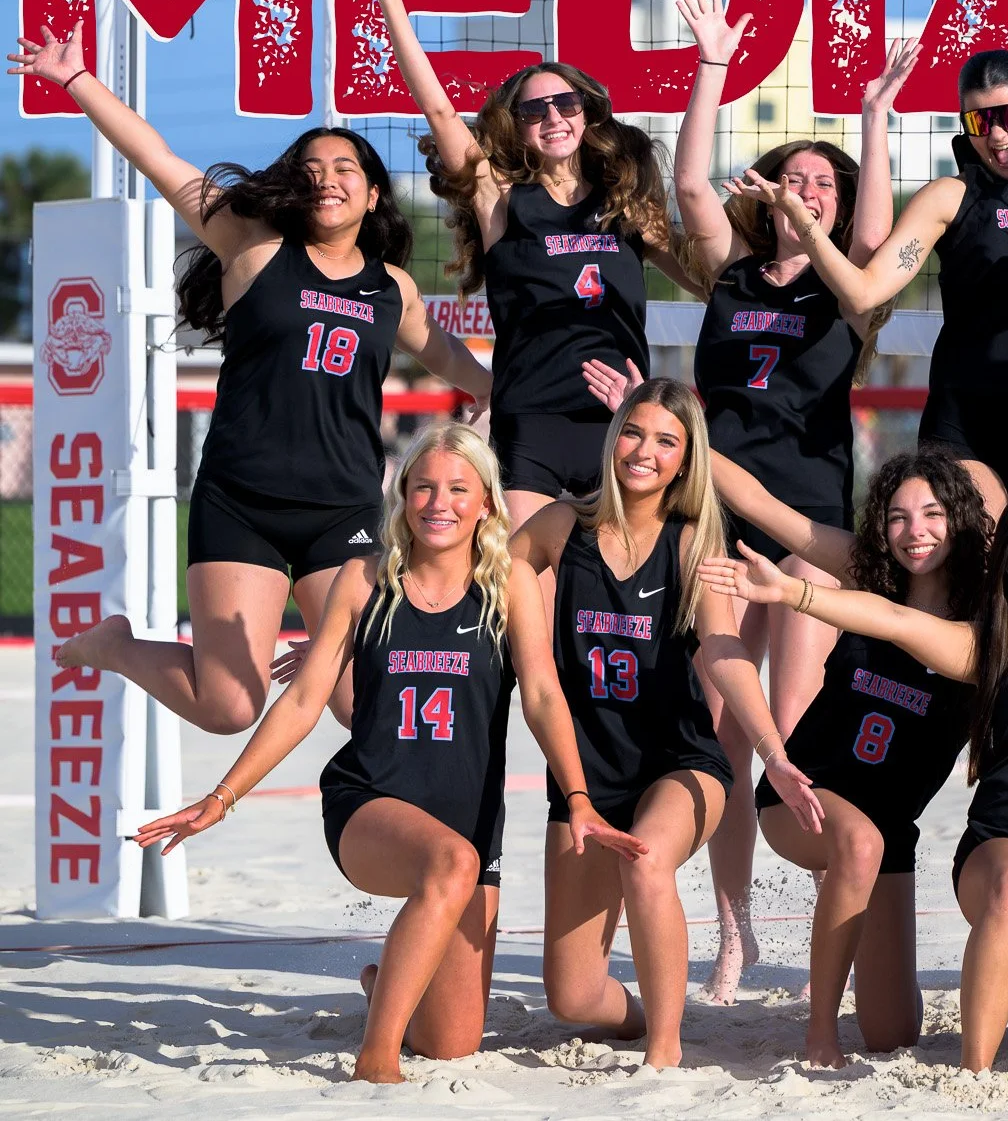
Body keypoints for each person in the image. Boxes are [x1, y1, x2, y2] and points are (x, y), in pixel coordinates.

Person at [13, 22, 492, 734]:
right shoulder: (251, 245)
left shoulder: (392, 287)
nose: (326, 177)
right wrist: (78, 78)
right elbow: (159, 157)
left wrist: (499, 393)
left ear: (371, 198)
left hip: (343, 510)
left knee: (368, 705)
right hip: (244, 501)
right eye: (311, 167)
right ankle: (115, 644)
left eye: (345, 169)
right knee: (230, 706)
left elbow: (455, 362)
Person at [134, 424, 642, 1082]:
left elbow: (543, 695)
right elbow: (299, 702)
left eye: (459, 488)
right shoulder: (364, 579)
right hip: (371, 803)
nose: (439, 501)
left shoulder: (508, 584)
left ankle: (385, 982)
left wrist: (578, 797)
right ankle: (375, 1054)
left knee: (452, 1040)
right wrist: (221, 797)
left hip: (469, 823)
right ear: (402, 497)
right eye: (423, 486)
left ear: (486, 502)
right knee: (448, 862)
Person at [703, 490, 1008, 1071]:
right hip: (1006, 849)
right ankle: (974, 1078)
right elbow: (892, 617)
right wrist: (793, 592)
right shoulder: (996, 646)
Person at [669, 0, 916, 1001]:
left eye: (824, 181)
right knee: (726, 727)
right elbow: (689, 188)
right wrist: (711, 64)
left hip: (810, 524)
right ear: (765, 188)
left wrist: (869, 120)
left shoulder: (845, 289)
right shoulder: (728, 270)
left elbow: (867, 238)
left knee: (798, 727)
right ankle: (733, 931)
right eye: (793, 175)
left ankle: (830, 915)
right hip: (718, 514)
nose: (807, 188)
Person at [510, 378, 823, 1069]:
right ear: (612, 434)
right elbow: (494, 559)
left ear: (686, 460)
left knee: (648, 858)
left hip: (680, 764)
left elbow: (725, 651)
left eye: (665, 441)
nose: (643, 450)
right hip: (586, 776)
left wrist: (771, 750)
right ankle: (660, 1005)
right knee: (572, 997)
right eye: (633, 431)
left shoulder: (690, 544)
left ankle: (665, 1053)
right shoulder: (564, 524)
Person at [330, 0, 686, 523]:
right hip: (533, 426)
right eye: (534, 109)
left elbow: (713, 273)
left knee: (613, 602)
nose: (553, 116)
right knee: (530, 600)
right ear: (514, 125)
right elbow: (440, 112)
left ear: (585, 113)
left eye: (565, 102)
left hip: (622, 426)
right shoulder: (502, 201)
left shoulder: (626, 202)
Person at [696, 446, 992, 1067]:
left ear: (960, 520)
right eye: (897, 517)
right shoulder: (869, 571)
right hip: (803, 793)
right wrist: (683, 429)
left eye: (933, 514)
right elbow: (758, 503)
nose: (915, 533)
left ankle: (860, 956)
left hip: (891, 828)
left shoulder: (986, 621)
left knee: (894, 1033)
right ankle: (820, 1033)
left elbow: (898, 623)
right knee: (857, 845)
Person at [755, 49, 1008, 516]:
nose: (998, 135)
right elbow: (863, 290)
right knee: (978, 572)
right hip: (963, 425)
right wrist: (805, 221)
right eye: (981, 123)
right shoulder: (950, 196)